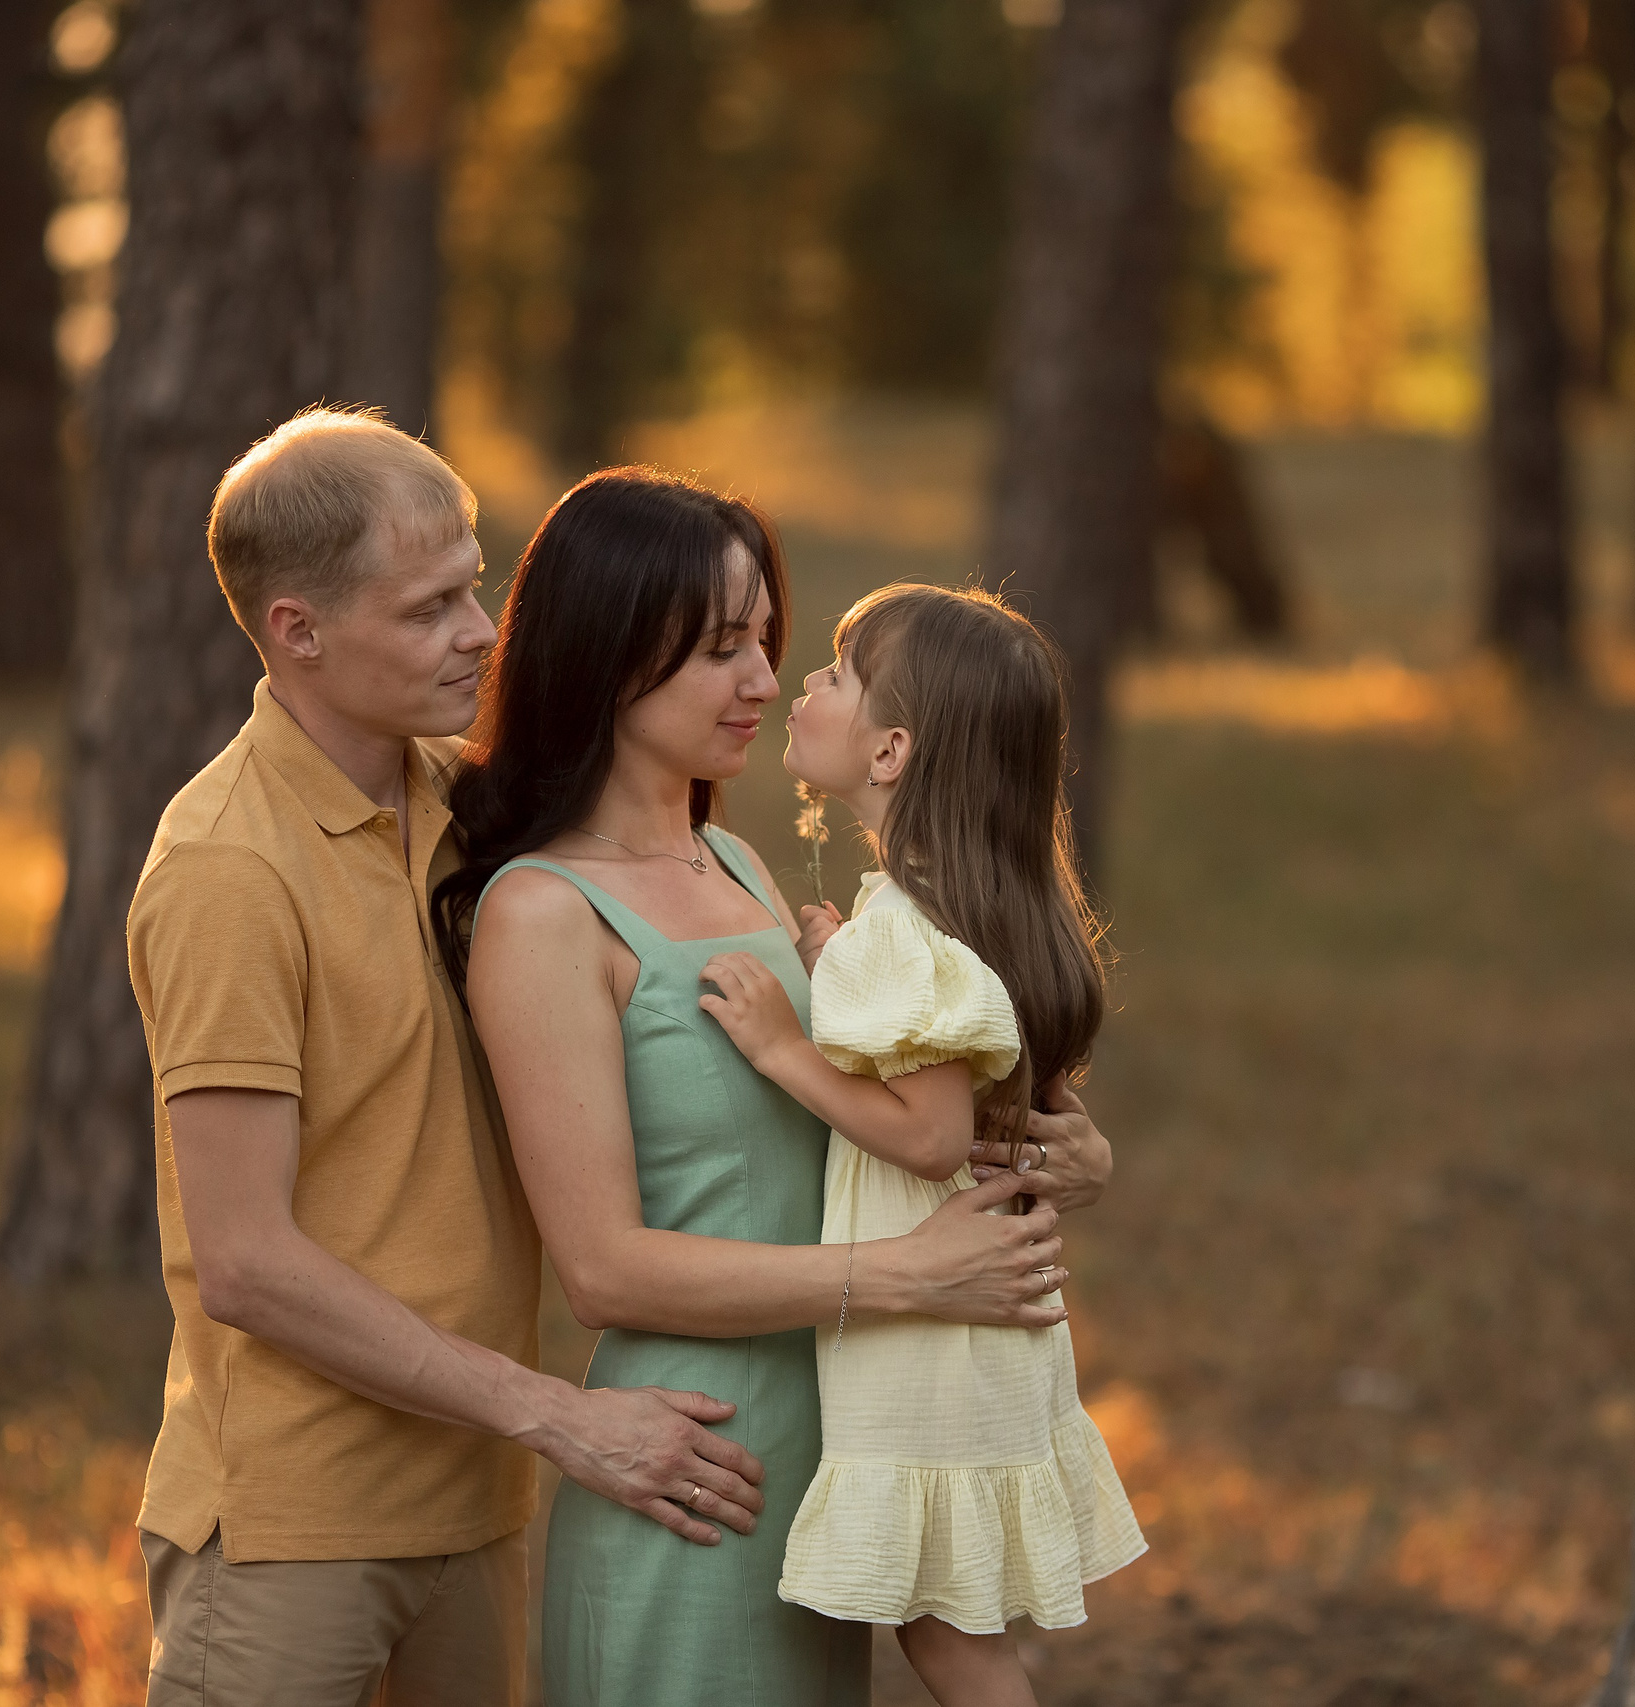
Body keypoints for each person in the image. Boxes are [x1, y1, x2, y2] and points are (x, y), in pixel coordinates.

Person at [125, 411, 1075, 1707]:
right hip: (311, 1504)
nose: (479, 629)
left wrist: (1032, 1138)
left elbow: (855, 1114)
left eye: (477, 587)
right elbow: (245, 1256)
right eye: (432, 606)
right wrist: (560, 1406)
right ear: (300, 630)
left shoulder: (474, 817)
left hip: (521, 1476)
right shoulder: (239, 866)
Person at [439, 469, 1115, 1707]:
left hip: (838, 1454)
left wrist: (1049, 1146)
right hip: (696, 1469)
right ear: (604, 657)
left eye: (766, 643)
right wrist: (908, 1276)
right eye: (718, 650)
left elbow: (888, 1108)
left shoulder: (743, 864)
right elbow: (603, 1269)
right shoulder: (540, 913)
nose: (761, 680)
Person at [700, 583, 1144, 1706]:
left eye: (837, 675)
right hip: (980, 1313)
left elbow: (935, 1132)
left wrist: (781, 1049)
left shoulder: (905, 930)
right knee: (952, 1625)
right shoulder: (960, 912)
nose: (800, 681)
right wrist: (839, 956)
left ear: (890, 750)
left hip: (936, 1324)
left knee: (947, 1636)